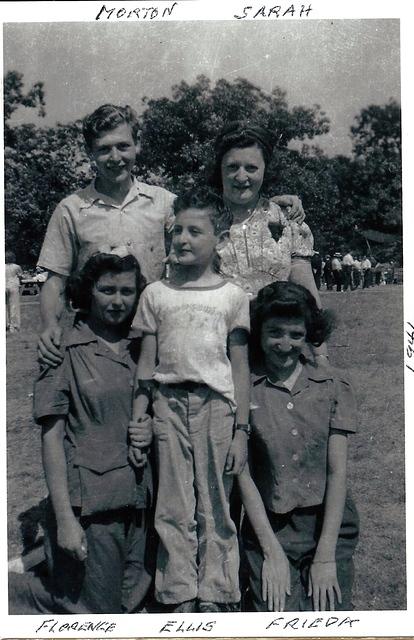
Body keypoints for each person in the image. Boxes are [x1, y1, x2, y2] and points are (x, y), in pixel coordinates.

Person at [37, 106, 303, 367]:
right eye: (104, 149)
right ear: (89, 152)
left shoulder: (163, 202)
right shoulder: (70, 209)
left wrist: (270, 203)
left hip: (152, 332)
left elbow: (209, 217)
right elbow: (54, 279)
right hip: (95, 335)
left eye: (123, 146)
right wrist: (50, 325)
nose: (115, 157)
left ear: (137, 144)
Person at [9, 253, 153, 614]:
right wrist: (66, 521)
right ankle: (14, 594)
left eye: (127, 291)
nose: (118, 301)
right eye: (107, 290)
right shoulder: (61, 350)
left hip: (142, 499)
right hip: (91, 505)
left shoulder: (145, 348)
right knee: (93, 613)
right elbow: (52, 440)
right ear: (87, 291)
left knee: (134, 599)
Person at [129, 188, 250, 613]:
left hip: (216, 407)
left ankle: (217, 591)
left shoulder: (232, 296)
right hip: (166, 404)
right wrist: (139, 419)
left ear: (218, 238)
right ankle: (178, 591)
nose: (182, 238)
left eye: (195, 231)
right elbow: (146, 363)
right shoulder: (155, 295)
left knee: (216, 500)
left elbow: (238, 367)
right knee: (174, 502)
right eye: (176, 230)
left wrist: (241, 430)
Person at [238, 282, 359, 612]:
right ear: (258, 332)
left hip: (327, 524)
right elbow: (242, 473)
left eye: (296, 335)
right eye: (275, 333)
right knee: (275, 615)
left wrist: (325, 557)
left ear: (309, 336)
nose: (284, 344)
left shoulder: (334, 385)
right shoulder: (244, 388)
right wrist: (271, 551)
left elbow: (337, 472)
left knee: (329, 615)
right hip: (269, 526)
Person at [209, 121, 320, 302]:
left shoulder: (289, 222)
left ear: (265, 170)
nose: (241, 177)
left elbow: (308, 301)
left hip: (271, 329)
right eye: (232, 167)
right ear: (220, 168)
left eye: (251, 168)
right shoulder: (198, 221)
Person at [5, 250, 23, 333]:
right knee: (14, 306)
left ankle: (6, 324)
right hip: (13, 286)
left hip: (4, 286)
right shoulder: (16, 267)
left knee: (5, 306)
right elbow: (21, 276)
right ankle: (14, 325)